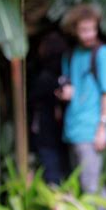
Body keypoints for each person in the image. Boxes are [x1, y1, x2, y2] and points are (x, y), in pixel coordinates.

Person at [57, 4, 106, 210]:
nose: (89, 35)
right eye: (83, 30)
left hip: (91, 131)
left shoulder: (103, 54)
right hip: (73, 129)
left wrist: (102, 127)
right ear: (74, 29)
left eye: (92, 29)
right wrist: (65, 93)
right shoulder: (70, 55)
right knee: (88, 184)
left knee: (90, 186)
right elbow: (70, 86)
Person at [29, 32, 69, 185]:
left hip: (48, 133)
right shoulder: (59, 77)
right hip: (56, 133)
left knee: (53, 172)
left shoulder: (46, 78)